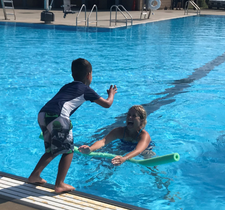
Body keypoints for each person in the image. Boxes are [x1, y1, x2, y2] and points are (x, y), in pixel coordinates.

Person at [28, 58, 118, 193]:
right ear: (89, 74)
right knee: (68, 150)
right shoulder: (86, 89)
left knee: (52, 150)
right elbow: (107, 104)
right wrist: (111, 95)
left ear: (73, 74)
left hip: (43, 115)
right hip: (59, 117)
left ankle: (35, 175)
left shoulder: (67, 86)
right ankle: (60, 184)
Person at [78, 105, 155, 166]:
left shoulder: (144, 135)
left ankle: (158, 179)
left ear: (141, 120)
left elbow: (138, 150)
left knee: (149, 161)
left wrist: (125, 158)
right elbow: (103, 141)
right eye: (128, 115)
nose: (129, 117)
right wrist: (90, 149)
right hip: (125, 147)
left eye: (134, 116)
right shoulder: (119, 131)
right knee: (110, 162)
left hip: (144, 150)